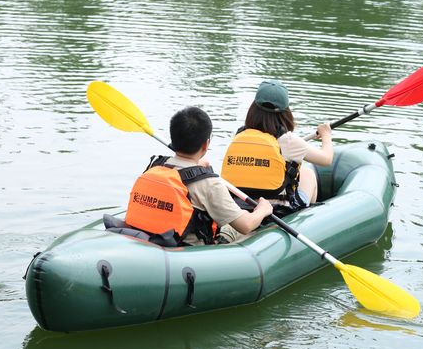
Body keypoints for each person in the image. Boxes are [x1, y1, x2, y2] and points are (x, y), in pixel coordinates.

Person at [123, 106, 273, 246]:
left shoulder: (154, 166)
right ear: (206, 145)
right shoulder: (210, 184)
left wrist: (196, 165)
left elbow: (180, 171)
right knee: (243, 228)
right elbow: (245, 225)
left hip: (148, 240)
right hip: (187, 252)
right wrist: (263, 210)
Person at [221, 79, 333, 211]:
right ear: (285, 113)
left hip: (238, 207)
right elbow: (326, 159)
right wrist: (326, 134)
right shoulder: (289, 140)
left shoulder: (241, 135)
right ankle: (305, 216)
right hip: (277, 210)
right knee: (308, 174)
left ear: (253, 109)